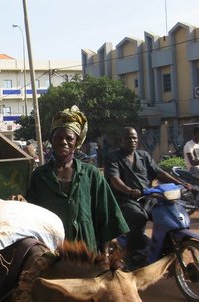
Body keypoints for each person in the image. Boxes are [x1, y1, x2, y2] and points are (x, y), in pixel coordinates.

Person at [26, 106, 129, 257]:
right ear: (51, 140)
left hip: (87, 252)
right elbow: (31, 214)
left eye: (69, 138)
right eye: (58, 137)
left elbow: (106, 215)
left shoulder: (91, 174)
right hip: (52, 253)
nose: (64, 142)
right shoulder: (39, 176)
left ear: (77, 142)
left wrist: (105, 253)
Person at [104, 126, 189, 267]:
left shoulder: (144, 156)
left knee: (167, 212)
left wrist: (181, 183)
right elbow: (115, 180)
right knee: (138, 217)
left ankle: (163, 247)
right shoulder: (113, 157)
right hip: (124, 199)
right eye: (128, 138)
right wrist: (129, 190)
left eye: (134, 138)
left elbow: (159, 173)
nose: (132, 140)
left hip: (147, 197)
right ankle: (133, 253)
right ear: (122, 140)